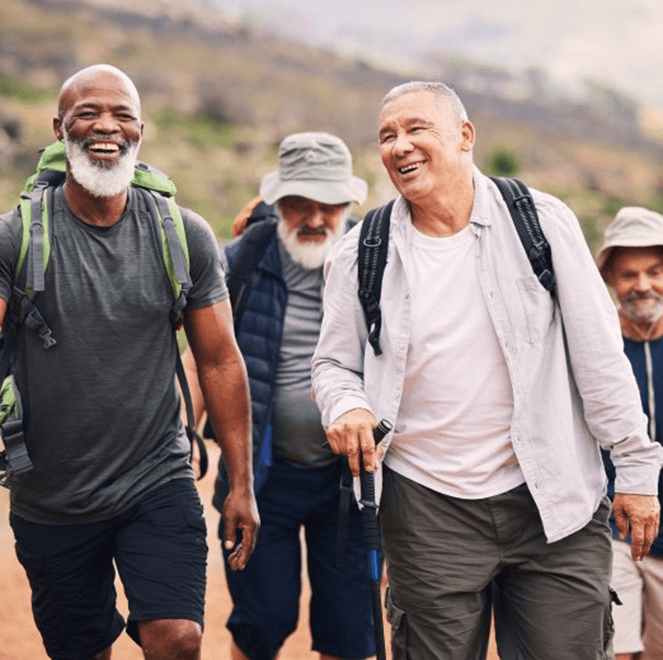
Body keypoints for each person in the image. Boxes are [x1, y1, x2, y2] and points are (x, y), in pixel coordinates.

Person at [311, 80, 663, 659]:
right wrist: (346, 403)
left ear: (465, 136)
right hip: (427, 505)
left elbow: (601, 358)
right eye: (387, 136)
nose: (400, 146)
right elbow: (332, 363)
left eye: (416, 129)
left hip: (554, 498)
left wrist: (636, 469)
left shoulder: (542, 224)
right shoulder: (360, 251)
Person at [0, 64, 259, 660]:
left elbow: (219, 360)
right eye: (87, 113)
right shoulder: (17, 239)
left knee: (178, 638)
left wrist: (240, 483)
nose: (105, 126)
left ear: (141, 128)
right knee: (81, 648)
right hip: (50, 492)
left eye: (120, 114)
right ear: (60, 127)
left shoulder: (182, 236)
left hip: (156, 477)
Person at [182, 132, 379, 660]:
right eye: (300, 205)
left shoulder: (377, 258)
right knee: (261, 622)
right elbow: (203, 359)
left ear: (347, 204)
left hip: (353, 480)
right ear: (277, 201)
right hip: (259, 476)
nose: (316, 218)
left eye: (329, 205)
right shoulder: (241, 260)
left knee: (350, 629)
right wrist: (178, 439)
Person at [597, 206, 663, 660]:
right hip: (610, 528)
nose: (642, 284)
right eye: (629, 274)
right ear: (610, 280)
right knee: (615, 650)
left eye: (655, 271)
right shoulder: (596, 346)